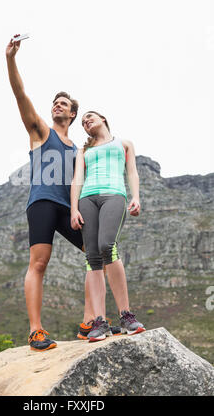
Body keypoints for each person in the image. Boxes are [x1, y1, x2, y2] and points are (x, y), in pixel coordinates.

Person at [6, 36, 85, 351]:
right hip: (41, 203)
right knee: (38, 263)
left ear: (72, 115)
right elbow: (19, 93)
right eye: (55, 102)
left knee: (102, 252)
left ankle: (92, 321)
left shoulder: (78, 150)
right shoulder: (40, 131)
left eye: (63, 104)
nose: (57, 105)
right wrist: (11, 58)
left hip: (69, 209)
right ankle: (35, 331)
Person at [71, 110, 145, 342]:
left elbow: (131, 171)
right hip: (87, 199)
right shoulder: (84, 151)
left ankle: (126, 315)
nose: (86, 121)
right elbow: (77, 180)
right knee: (92, 256)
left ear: (103, 119)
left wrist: (136, 197)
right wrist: (74, 209)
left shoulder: (123, 144)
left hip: (114, 195)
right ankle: (100, 321)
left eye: (89, 117)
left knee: (106, 245)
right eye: (82, 122)